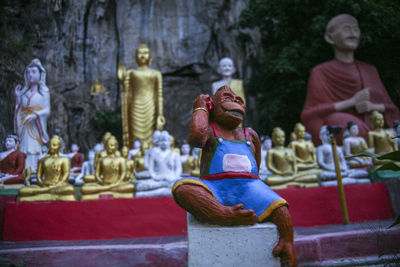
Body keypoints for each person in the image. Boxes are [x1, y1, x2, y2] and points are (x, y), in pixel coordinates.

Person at [172, 86, 297, 266]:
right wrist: (200, 108)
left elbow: (256, 166)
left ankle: (287, 243)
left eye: (239, 100)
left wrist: (256, 190)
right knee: (182, 189)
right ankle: (224, 215)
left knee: (281, 209)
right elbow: (196, 138)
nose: (236, 101)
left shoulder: (250, 135)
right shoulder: (211, 131)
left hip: (249, 186)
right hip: (215, 187)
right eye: (227, 98)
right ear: (212, 106)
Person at [301, 14, 400, 145]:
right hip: (351, 133)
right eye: (347, 29)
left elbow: (392, 109)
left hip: (379, 128)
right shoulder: (320, 72)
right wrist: (352, 102)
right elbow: (310, 114)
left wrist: (372, 106)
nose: (353, 34)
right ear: (330, 37)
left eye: (356, 29)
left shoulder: (370, 70)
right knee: (337, 120)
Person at [118, 44, 165, 148]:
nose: (142, 56)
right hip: (135, 107)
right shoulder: (131, 73)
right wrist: (123, 80)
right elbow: (126, 91)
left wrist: (160, 114)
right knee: (134, 133)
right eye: (140, 53)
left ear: (150, 56)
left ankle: (151, 153)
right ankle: (134, 154)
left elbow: (159, 96)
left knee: (153, 134)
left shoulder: (156, 74)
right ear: (135, 56)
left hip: (151, 107)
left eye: (145, 53)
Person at [14, 58, 50, 172]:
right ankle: (23, 170)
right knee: (24, 148)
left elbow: (47, 110)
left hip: (37, 126)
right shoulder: (24, 92)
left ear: (40, 74)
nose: (30, 75)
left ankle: (35, 171)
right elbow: (19, 108)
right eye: (28, 72)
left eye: (34, 72)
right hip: (24, 126)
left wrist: (35, 115)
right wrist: (17, 97)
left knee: (35, 149)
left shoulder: (44, 91)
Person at [18, 135, 75, 201]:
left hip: (58, 186)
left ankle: (40, 195)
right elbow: (38, 175)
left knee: (69, 189)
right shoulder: (43, 160)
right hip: (44, 185)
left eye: (54, 145)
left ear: (59, 146)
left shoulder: (64, 159)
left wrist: (58, 184)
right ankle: (49, 193)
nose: (51, 147)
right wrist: (41, 183)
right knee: (22, 190)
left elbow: (66, 174)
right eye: (50, 145)